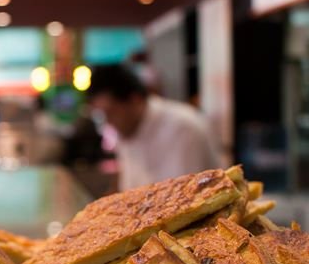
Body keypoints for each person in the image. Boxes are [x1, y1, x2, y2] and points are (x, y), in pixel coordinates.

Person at [87, 65, 220, 192]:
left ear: (134, 99)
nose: (108, 121)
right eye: (103, 115)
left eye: (112, 112)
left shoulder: (181, 128)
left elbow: (189, 202)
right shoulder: (129, 130)